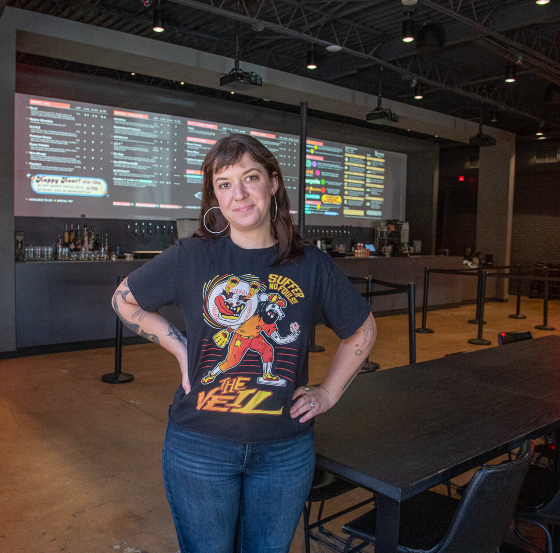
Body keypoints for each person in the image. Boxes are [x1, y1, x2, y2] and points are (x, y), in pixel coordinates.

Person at [111, 134, 375, 553]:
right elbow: (124, 299)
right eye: (225, 183)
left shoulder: (311, 265)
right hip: (199, 447)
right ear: (214, 195)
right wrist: (180, 348)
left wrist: (327, 392)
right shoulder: (191, 256)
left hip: (284, 452)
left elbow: (362, 328)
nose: (239, 194)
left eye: (250, 177)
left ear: (272, 182)